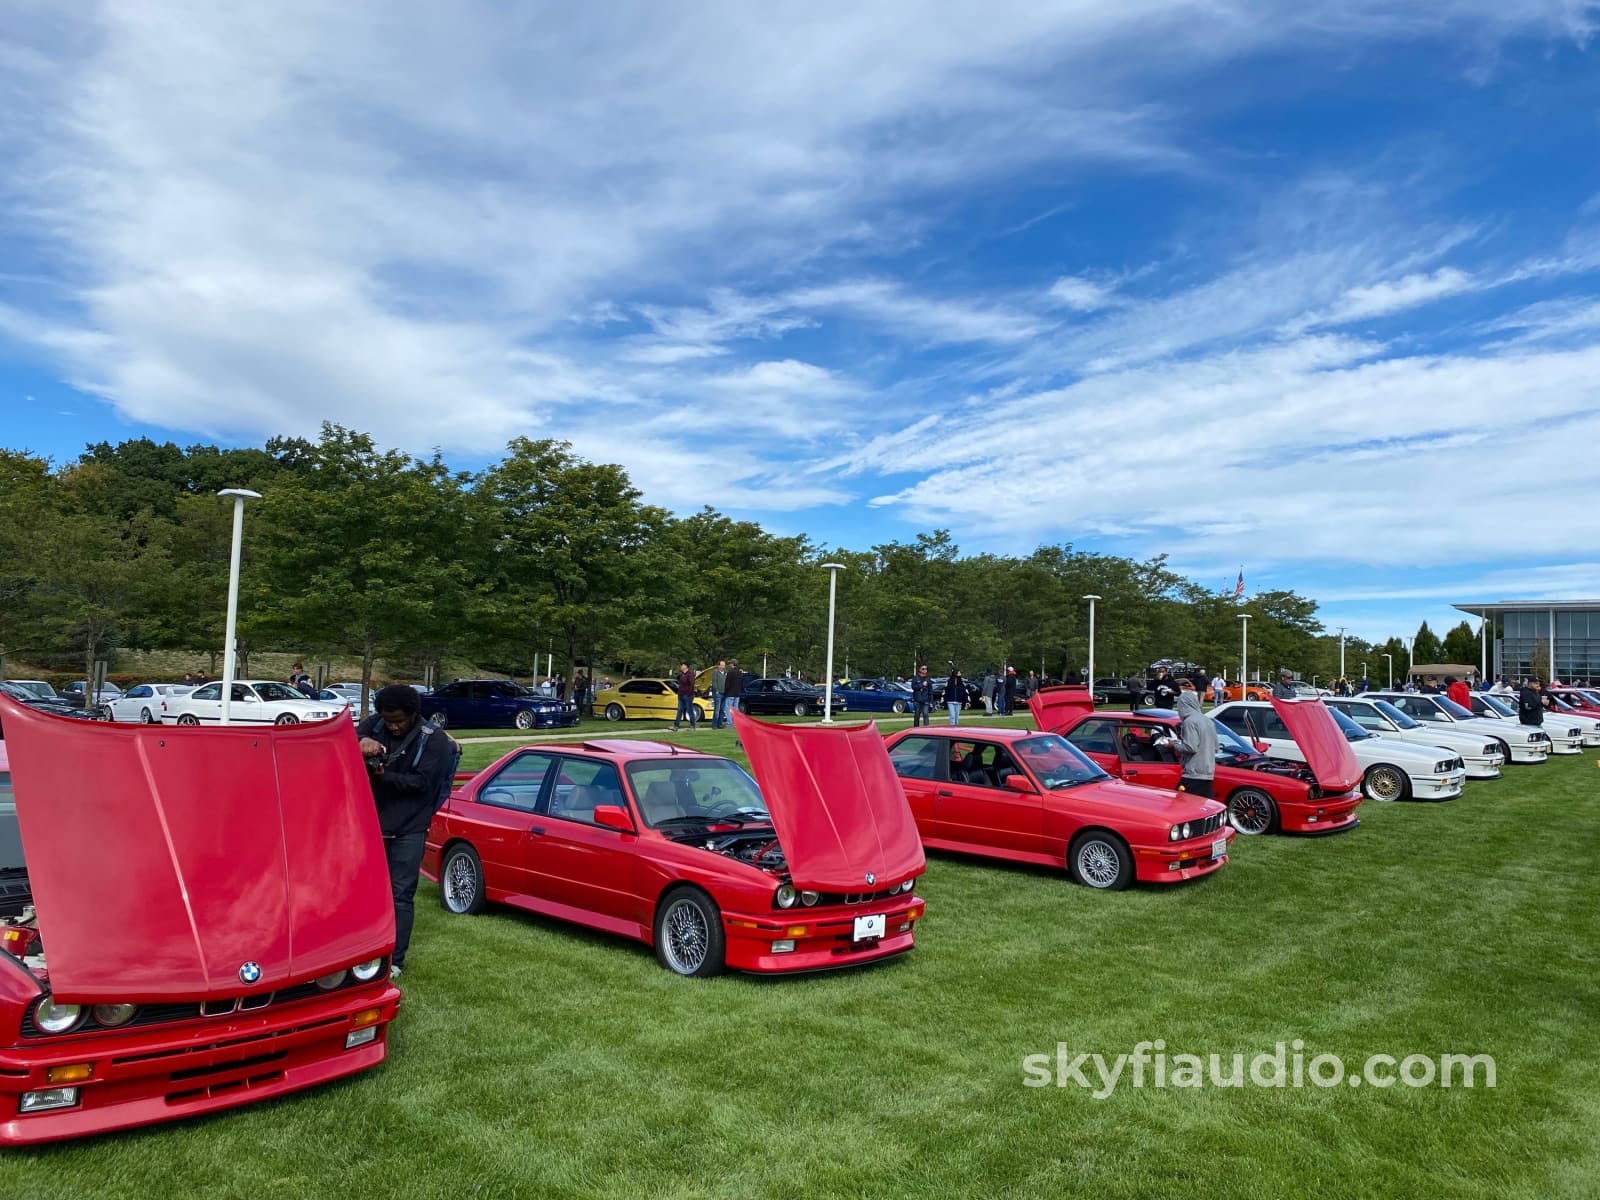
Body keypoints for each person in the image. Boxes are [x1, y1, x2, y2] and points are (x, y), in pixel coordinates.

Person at [357, 684, 455, 979]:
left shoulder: (434, 740)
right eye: (388, 720)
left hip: (409, 827)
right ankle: (362, 951)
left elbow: (421, 784)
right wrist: (362, 740)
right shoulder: (375, 724)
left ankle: (395, 960)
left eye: (399, 720)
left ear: (413, 714)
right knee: (366, 892)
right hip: (370, 823)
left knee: (401, 895)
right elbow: (342, 739)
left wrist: (384, 776)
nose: (393, 726)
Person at [1167, 691, 1218, 798]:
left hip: (1193, 773)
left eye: (1179, 705)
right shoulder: (1208, 721)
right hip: (1208, 773)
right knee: (1203, 808)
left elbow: (1190, 747)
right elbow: (1216, 747)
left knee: (1180, 805)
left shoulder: (1189, 722)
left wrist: (1173, 745)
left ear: (1184, 705)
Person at [672, 663, 699, 730]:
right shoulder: (681, 674)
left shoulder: (690, 675)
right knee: (679, 710)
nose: (681, 666)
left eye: (682, 665)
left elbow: (692, 684)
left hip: (688, 695)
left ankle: (692, 725)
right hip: (681, 695)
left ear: (686, 666)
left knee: (689, 710)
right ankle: (676, 726)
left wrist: (688, 693)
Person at [710, 659, 728, 730]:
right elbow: (714, 683)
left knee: (722, 709)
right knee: (717, 710)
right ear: (719, 665)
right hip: (718, 693)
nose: (723, 666)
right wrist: (716, 691)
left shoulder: (726, 673)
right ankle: (714, 725)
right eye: (722, 665)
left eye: (724, 665)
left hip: (724, 693)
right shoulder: (715, 672)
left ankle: (719, 724)